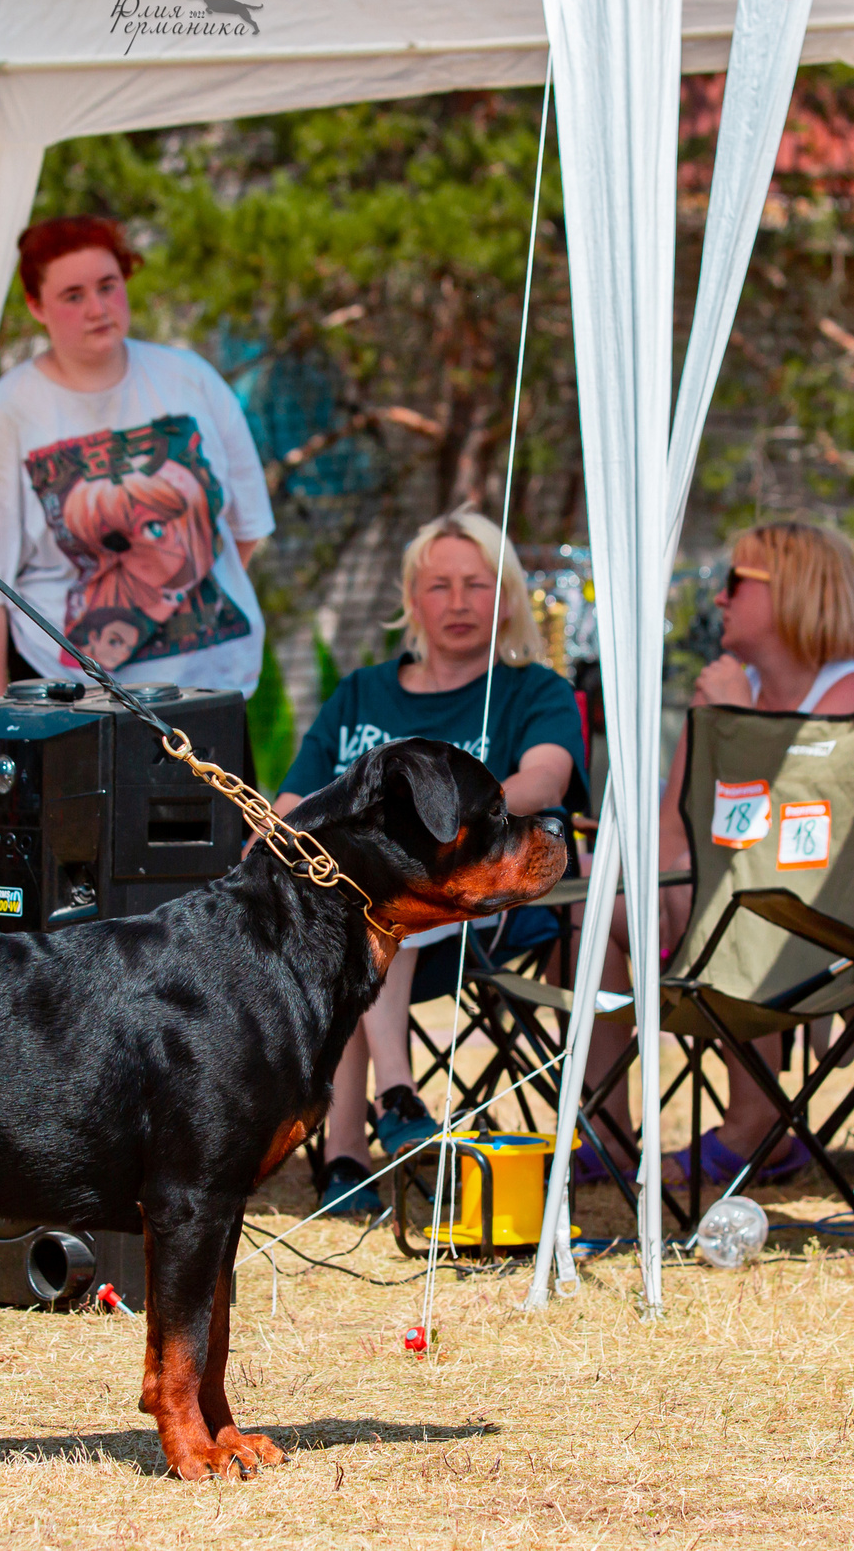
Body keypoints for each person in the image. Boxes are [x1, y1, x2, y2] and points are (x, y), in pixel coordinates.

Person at [582, 520, 854, 1187]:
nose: (718, 599)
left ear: (795, 592)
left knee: (745, 905)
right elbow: (671, 830)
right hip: (745, 913)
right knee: (594, 894)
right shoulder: (731, 692)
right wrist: (656, 901)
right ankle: (606, 1128)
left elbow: (808, 844)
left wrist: (742, 726)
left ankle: (757, 1126)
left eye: (735, 583)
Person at [273, 510, 586, 1214]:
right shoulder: (361, 691)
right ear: (411, 598)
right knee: (350, 904)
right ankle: (367, 1130)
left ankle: (373, 1119)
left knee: (382, 892)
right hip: (363, 916)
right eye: (439, 585)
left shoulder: (534, 690)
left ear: (507, 598)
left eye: (478, 585)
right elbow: (298, 797)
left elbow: (547, 778)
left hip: (485, 915)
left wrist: (447, 829)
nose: (458, 601)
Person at [0, 216, 275, 699]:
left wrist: (176, 598)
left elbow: (245, 528)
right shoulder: (5, 417)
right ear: (36, 306)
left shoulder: (188, 379)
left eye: (108, 286)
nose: (97, 308)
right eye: (73, 295)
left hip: (210, 692)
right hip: (77, 707)